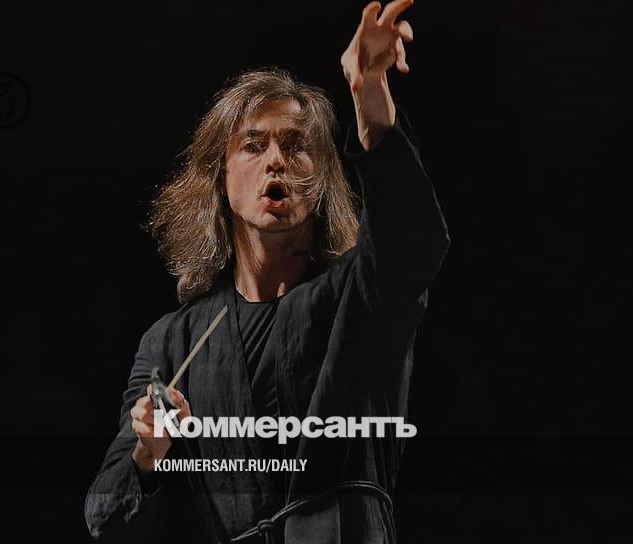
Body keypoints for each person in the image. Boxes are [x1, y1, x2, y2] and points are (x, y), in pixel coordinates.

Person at [85, 1, 449, 542]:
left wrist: (369, 90)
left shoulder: (360, 297)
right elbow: (105, 517)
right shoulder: (172, 344)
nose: (275, 159)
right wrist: (148, 452)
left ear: (320, 181)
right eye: (253, 146)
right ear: (221, 178)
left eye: (296, 146)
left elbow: (411, 239)